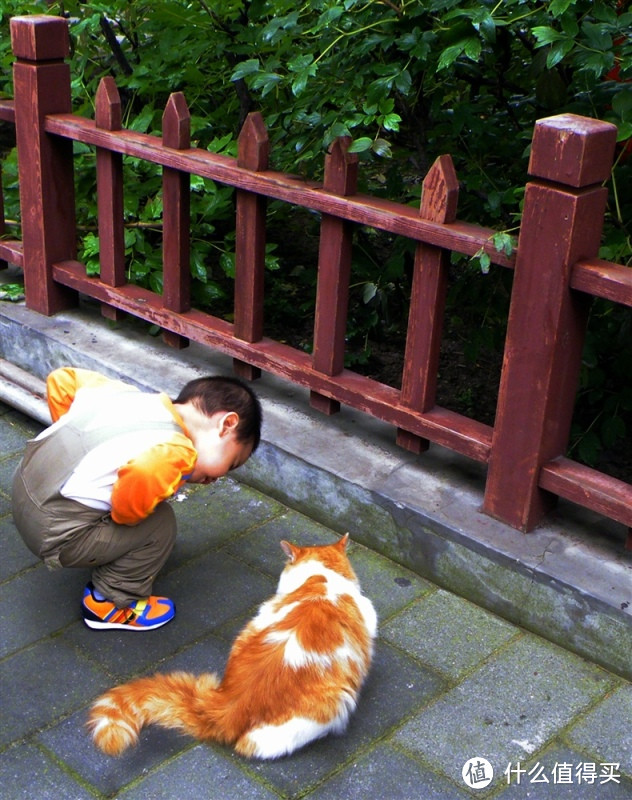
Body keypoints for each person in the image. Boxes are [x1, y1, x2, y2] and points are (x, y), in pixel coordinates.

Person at [12, 367, 262, 632]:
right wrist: (128, 516)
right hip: (53, 534)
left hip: (24, 490)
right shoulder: (176, 450)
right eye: (232, 462)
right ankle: (109, 602)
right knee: (159, 524)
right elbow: (139, 483)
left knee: (132, 503)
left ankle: (115, 546)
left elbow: (62, 380)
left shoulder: (125, 395)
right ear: (226, 425)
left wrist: (75, 454)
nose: (218, 478)